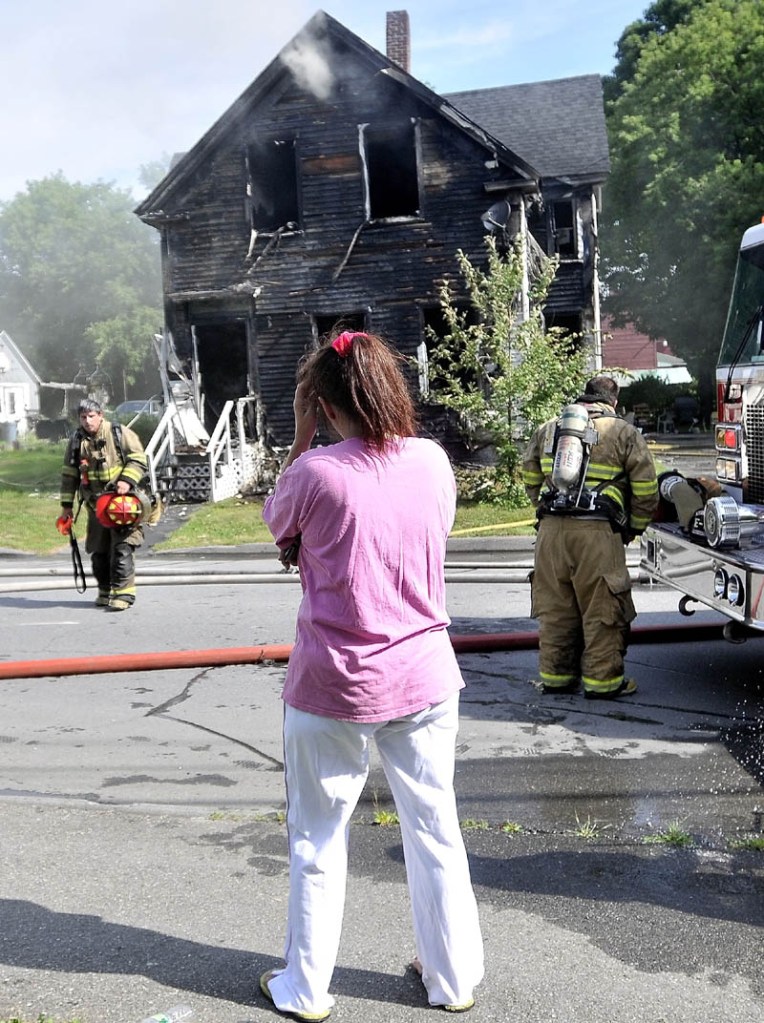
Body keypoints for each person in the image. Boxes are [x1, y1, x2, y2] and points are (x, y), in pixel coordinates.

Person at [261, 330, 484, 1020]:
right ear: (391, 387)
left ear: (323, 405)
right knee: (435, 827)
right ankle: (450, 980)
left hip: (334, 684)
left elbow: (278, 524)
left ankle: (306, 989)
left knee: (318, 839)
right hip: (424, 674)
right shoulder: (431, 460)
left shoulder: (315, 471)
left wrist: (299, 432)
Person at [521, 375, 659, 699]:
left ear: (584, 396)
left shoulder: (549, 428)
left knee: (556, 610)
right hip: (597, 533)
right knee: (603, 609)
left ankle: (556, 677)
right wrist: (633, 528)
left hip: (551, 533)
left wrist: (549, 509)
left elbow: (529, 475)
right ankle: (604, 683)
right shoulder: (623, 432)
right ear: (614, 401)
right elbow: (646, 489)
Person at [58, 398, 148, 611]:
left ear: (101, 415)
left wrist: (126, 480)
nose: (87, 421)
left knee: (122, 548)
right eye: (83, 417)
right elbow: (69, 475)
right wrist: (66, 507)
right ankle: (106, 591)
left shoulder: (119, 433)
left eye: (91, 416)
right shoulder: (76, 441)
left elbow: (138, 458)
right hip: (96, 507)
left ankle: (124, 595)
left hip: (121, 506)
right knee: (99, 552)